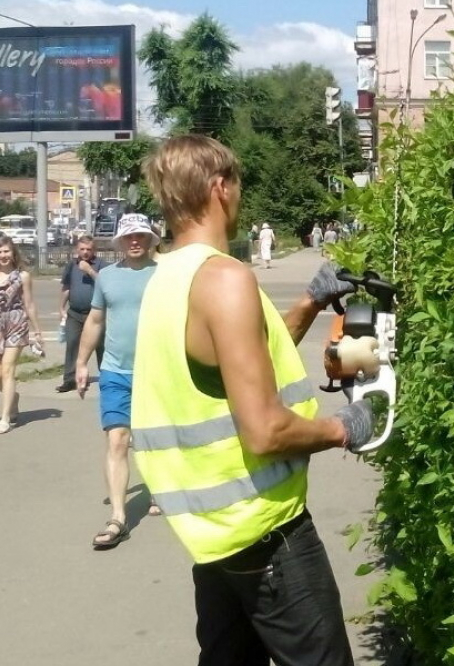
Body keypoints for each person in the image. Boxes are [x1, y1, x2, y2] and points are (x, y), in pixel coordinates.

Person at [136, 134, 376, 665]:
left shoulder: (167, 278)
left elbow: (238, 367)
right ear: (220, 188)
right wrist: (346, 427)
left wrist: (311, 303)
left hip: (212, 536)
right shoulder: (225, 278)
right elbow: (265, 431)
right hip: (265, 531)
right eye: (237, 186)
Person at [76, 213, 159, 550]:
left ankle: (159, 489)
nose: (135, 241)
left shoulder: (165, 274)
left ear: (151, 238)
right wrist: (81, 363)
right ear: (121, 242)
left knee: (153, 440)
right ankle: (119, 518)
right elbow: (96, 320)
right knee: (117, 440)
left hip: (157, 373)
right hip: (115, 372)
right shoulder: (107, 277)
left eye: (140, 235)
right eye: (129, 236)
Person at [0, 235, 42, 433]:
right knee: (1, 374)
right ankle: (13, 397)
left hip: (16, 323)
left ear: (13, 252)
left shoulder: (22, 276)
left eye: (6, 251)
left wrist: (37, 331)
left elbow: (29, 304)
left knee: (8, 370)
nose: (3, 255)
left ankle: (5, 417)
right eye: (0, 252)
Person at [57, 235, 105, 393]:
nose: (85, 252)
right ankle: (69, 379)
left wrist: (90, 270)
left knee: (100, 346)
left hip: (96, 314)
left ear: (94, 250)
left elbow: (106, 285)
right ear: (77, 250)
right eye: (82, 249)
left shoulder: (101, 265)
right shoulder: (71, 265)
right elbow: (66, 287)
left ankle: (106, 377)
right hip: (75, 313)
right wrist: (61, 307)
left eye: (88, 249)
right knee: (72, 343)